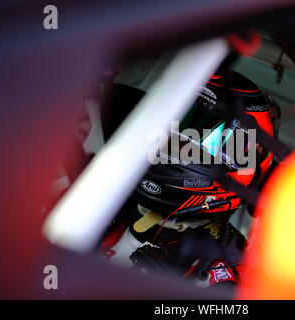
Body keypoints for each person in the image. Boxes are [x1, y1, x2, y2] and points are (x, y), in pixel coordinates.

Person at [97, 69, 280, 288]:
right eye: (176, 131)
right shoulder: (97, 199)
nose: (178, 145)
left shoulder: (230, 273)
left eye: (196, 144)